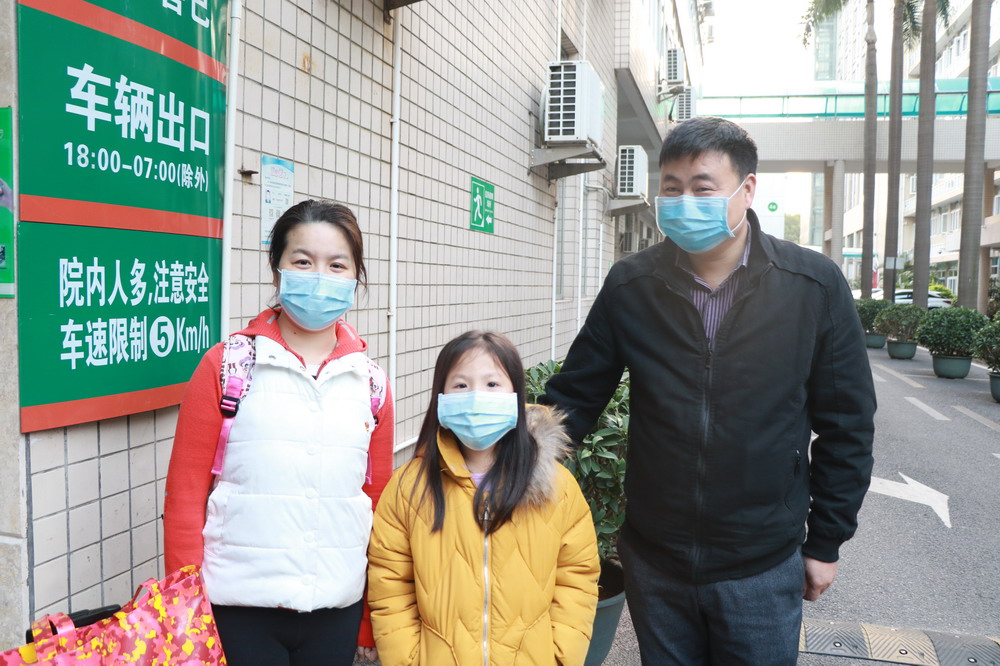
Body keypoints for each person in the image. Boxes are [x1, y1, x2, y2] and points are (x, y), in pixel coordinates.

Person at [540, 116, 876, 665]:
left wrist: (825, 542)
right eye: (671, 188)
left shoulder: (811, 285)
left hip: (762, 564)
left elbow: (848, 425)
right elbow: (573, 398)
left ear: (747, 189)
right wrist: (501, 461)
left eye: (702, 188)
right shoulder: (632, 285)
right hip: (656, 560)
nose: (684, 202)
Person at [164, 199, 393, 666]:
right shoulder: (227, 365)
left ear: (355, 278)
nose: (320, 276)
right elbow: (184, 497)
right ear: (277, 271)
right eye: (303, 262)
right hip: (237, 610)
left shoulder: (371, 383)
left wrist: (369, 617)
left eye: (337, 265)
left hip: (337, 607)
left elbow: (378, 505)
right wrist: (186, 610)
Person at [367, 331, 600, 666]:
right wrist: (408, 659)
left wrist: (561, 656)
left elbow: (577, 577)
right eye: (461, 385)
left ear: (515, 395)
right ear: (440, 398)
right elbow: (390, 583)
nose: (476, 397)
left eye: (492, 384)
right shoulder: (409, 488)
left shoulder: (557, 487)